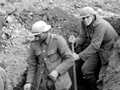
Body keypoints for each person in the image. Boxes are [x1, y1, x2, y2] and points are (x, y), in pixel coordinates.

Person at [68, 6, 119, 90]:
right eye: (83, 18)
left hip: (110, 50)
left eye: (87, 17)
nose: (85, 20)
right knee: (86, 71)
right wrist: (75, 41)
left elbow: (94, 46)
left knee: (102, 79)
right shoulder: (84, 23)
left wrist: (78, 56)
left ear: (93, 15)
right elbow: (82, 36)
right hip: (97, 49)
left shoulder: (100, 25)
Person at [24, 21, 74, 90]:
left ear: (45, 32)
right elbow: (32, 64)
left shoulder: (57, 40)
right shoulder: (34, 44)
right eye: (35, 36)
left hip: (59, 83)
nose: (37, 38)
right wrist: (29, 82)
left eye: (39, 36)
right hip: (42, 83)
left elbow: (70, 59)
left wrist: (57, 71)